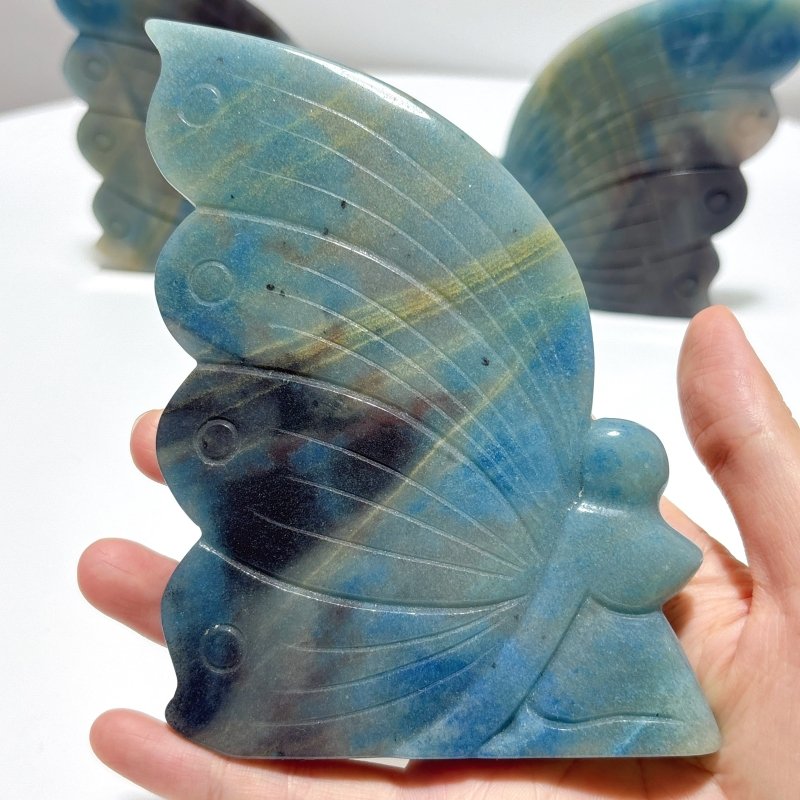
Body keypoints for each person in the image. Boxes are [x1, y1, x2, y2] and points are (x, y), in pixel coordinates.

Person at [77, 306, 800, 799]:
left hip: (579, 691)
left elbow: (643, 577)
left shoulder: (601, 535)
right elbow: (652, 572)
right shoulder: (607, 532)